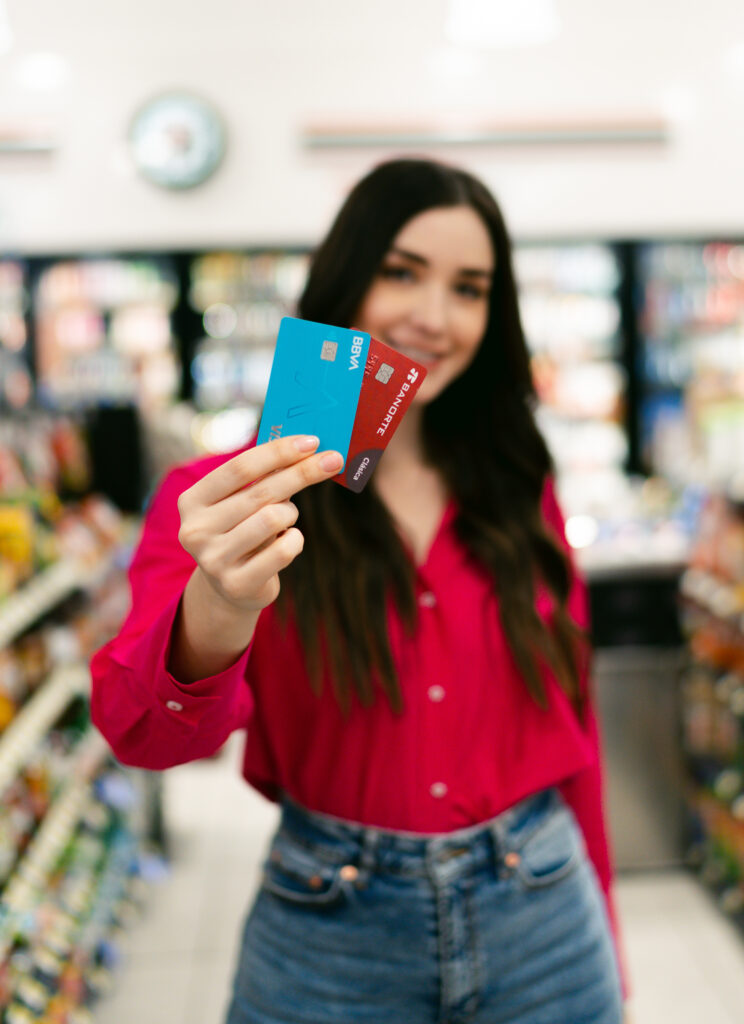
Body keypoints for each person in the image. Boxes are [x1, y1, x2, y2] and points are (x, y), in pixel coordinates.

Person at [90, 158, 628, 1024]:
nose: (434, 315)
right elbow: (140, 735)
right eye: (402, 271)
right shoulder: (227, 501)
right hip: (331, 930)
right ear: (345, 279)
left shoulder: (518, 486)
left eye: (470, 288)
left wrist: (604, 937)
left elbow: (575, 722)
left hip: (546, 916)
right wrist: (219, 608)